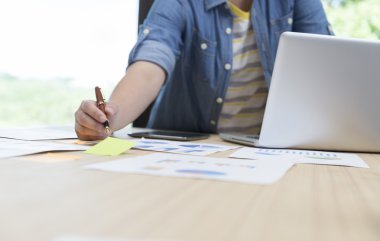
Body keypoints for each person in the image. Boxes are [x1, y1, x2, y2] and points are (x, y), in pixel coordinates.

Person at [75, 0, 333, 140]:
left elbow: (326, 63)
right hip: (190, 149)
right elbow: (150, 64)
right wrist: (110, 119)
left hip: (268, 147)